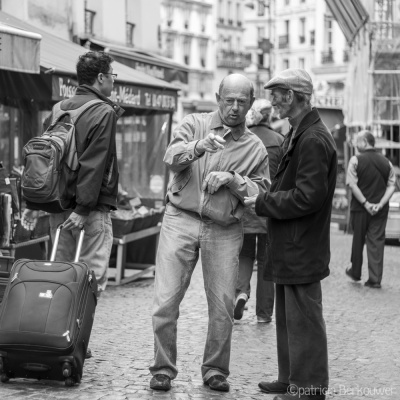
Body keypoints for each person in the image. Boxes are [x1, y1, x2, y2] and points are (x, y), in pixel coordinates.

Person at [149, 74, 270, 393]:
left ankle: (215, 369)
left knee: (223, 305)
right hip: (181, 217)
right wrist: (198, 147)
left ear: (251, 103)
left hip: (225, 227)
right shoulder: (194, 124)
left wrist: (232, 179)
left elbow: (261, 192)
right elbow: (170, 158)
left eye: (241, 101)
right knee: (165, 300)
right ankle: (163, 367)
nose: (234, 107)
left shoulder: (255, 147)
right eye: (228, 100)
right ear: (218, 97)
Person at [245, 68, 337, 400]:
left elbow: (308, 196)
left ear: (292, 96)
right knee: (288, 317)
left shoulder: (312, 137)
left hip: (302, 243)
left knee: (305, 317)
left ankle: (310, 385)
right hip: (292, 242)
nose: (271, 101)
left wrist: (263, 201)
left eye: (276, 95)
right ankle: (290, 377)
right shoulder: (300, 132)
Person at [22, 51, 124, 297]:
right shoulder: (103, 111)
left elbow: (44, 158)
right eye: (113, 75)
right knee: (89, 279)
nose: (114, 81)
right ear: (101, 77)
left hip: (57, 204)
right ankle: (78, 332)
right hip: (89, 209)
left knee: (60, 273)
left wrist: (35, 202)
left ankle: (57, 328)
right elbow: (95, 163)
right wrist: (83, 208)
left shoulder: (59, 108)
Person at [234, 99, 284, 323]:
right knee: (265, 259)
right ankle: (264, 313)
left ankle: (240, 293)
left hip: (244, 204)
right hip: (269, 206)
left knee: (244, 254)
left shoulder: (243, 138)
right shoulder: (280, 141)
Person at [345, 130, 396, 289]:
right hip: (380, 211)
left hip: (360, 208)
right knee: (376, 242)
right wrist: (380, 204)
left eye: (357, 141)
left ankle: (355, 272)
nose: (355, 144)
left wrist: (366, 203)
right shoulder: (386, 162)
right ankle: (375, 279)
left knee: (358, 240)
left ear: (365, 142)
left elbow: (352, 185)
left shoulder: (355, 160)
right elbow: (391, 186)